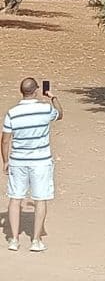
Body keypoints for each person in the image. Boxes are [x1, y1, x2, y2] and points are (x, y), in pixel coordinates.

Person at [1, 77, 63, 252]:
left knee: (15, 198)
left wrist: (6, 161)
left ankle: (14, 239)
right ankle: (35, 240)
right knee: (40, 198)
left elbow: (5, 140)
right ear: (36, 90)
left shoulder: (12, 113)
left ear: (21, 91)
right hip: (41, 161)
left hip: (18, 160)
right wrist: (52, 97)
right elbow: (60, 114)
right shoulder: (45, 109)